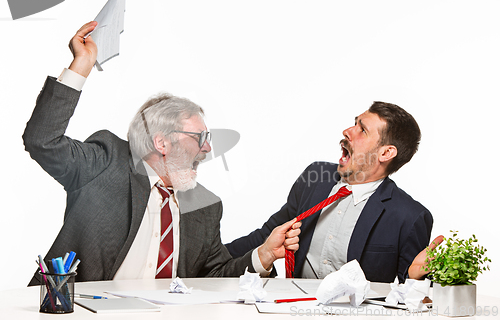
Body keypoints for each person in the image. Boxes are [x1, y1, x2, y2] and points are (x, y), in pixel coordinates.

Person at [24, 21, 300, 285]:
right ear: (162, 143)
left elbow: (213, 278)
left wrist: (262, 255)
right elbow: (42, 141)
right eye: (200, 137)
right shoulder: (105, 162)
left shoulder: (206, 206)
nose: (207, 149)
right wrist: (81, 65)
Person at [226, 101, 437, 283]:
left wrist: (414, 280)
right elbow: (268, 235)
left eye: (362, 130)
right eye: (354, 123)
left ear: (386, 152)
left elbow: (411, 299)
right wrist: (209, 257)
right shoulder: (315, 178)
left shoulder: (409, 216)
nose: (347, 131)